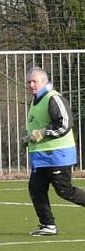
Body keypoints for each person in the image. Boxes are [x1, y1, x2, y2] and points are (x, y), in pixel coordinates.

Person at [23, 66, 85, 235]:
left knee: (64, 190)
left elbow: (65, 124)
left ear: (45, 81)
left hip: (57, 155)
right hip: (42, 157)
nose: (31, 85)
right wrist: (28, 138)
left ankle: (48, 224)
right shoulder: (35, 101)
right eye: (29, 82)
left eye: (34, 81)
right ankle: (48, 225)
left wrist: (44, 133)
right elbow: (37, 126)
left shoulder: (53, 98)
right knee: (36, 188)